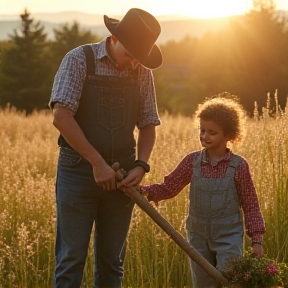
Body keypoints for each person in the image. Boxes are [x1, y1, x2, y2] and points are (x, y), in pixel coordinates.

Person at [49, 8, 163, 288]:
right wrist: (97, 163)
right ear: (114, 37)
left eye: (140, 57)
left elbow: (148, 123)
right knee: (71, 261)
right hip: (77, 172)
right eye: (130, 55)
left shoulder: (141, 71)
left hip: (124, 175)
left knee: (112, 264)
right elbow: (61, 116)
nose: (135, 63)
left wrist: (141, 164)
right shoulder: (79, 60)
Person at [140, 94, 266, 288]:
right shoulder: (192, 162)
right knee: (202, 284)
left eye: (212, 132)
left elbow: (251, 204)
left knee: (232, 282)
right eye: (202, 130)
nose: (205, 136)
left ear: (229, 135)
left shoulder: (239, 166)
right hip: (197, 237)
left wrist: (256, 240)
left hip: (228, 238)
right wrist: (145, 191)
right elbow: (169, 187)